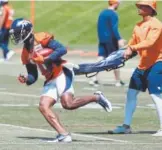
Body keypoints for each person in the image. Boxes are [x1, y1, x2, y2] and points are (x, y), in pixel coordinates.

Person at [9, 18, 112, 142]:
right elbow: (33, 76)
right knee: (43, 106)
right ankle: (63, 134)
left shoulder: (41, 38)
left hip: (62, 72)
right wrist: (26, 79)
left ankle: (97, 97)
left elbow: (62, 49)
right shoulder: (25, 53)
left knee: (68, 104)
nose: (15, 36)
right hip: (50, 78)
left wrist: (47, 59)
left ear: (26, 31)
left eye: (17, 32)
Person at [110, 0, 162, 136]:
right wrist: (119, 55)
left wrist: (132, 48)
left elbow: (150, 43)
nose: (140, 7)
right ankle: (126, 126)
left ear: (151, 9)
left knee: (156, 95)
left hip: (157, 62)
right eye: (140, 6)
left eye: (144, 6)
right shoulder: (138, 25)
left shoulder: (156, 25)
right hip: (143, 64)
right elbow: (132, 44)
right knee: (131, 93)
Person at [89, 0, 126, 87]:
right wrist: (119, 39)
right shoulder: (113, 14)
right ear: (115, 3)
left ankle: (93, 78)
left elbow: (99, 26)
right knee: (116, 59)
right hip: (111, 40)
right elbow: (114, 28)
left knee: (100, 58)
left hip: (102, 39)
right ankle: (117, 81)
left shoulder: (102, 13)